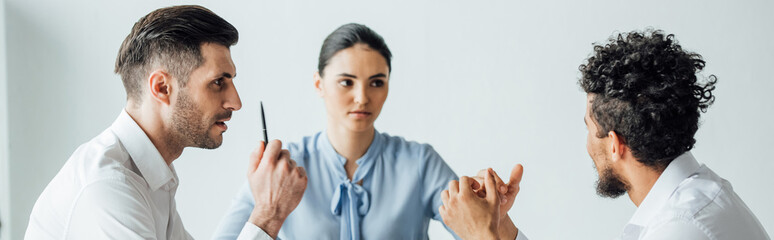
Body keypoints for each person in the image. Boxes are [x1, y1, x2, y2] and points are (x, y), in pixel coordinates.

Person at [439, 30, 771, 240]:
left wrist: (478, 236)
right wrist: (500, 228)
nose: (586, 143)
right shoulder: (694, 199)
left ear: (614, 144)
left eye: (588, 127)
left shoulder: (681, 227)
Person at [25, 5, 307, 239]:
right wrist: (268, 214)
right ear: (161, 88)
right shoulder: (108, 189)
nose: (236, 102)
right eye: (218, 82)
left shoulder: (153, 176)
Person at [214, 23, 475, 240]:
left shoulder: (420, 163)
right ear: (319, 84)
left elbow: (477, 231)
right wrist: (267, 210)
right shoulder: (283, 170)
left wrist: (490, 211)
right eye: (346, 82)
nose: (362, 98)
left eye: (376, 82)